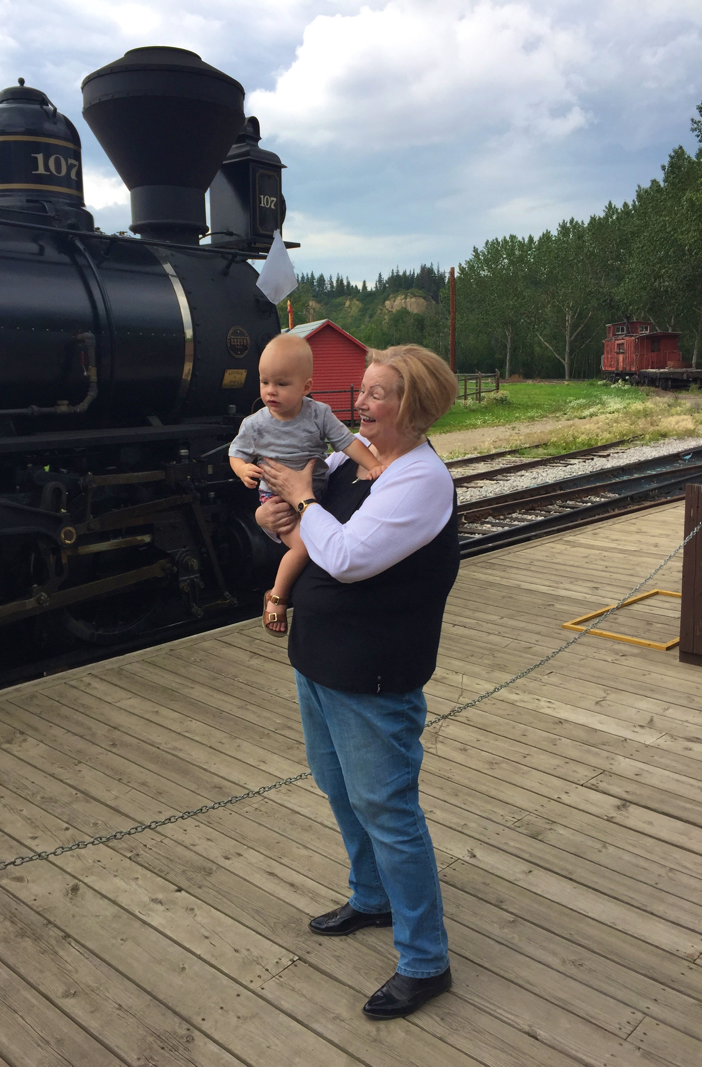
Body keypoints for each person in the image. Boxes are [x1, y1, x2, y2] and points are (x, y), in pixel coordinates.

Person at [256, 343, 460, 1019]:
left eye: (377, 393)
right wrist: (274, 516)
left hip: (374, 673)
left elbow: (343, 556)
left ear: (415, 405)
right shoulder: (352, 461)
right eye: (363, 390)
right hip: (322, 661)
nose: (360, 401)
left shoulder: (419, 480)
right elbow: (305, 534)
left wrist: (303, 497)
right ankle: (370, 897)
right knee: (340, 788)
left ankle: (425, 959)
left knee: (390, 810)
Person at [229, 332, 382, 635]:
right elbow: (236, 453)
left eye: (282, 384)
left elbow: (347, 443)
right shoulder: (255, 424)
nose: (270, 391)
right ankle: (277, 597)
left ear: (306, 387)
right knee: (304, 547)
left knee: (317, 542)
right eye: (264, 382)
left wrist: (374, 465)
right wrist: (243, 469)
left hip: (314, 496)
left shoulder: (319, 414)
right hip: (277, 500)